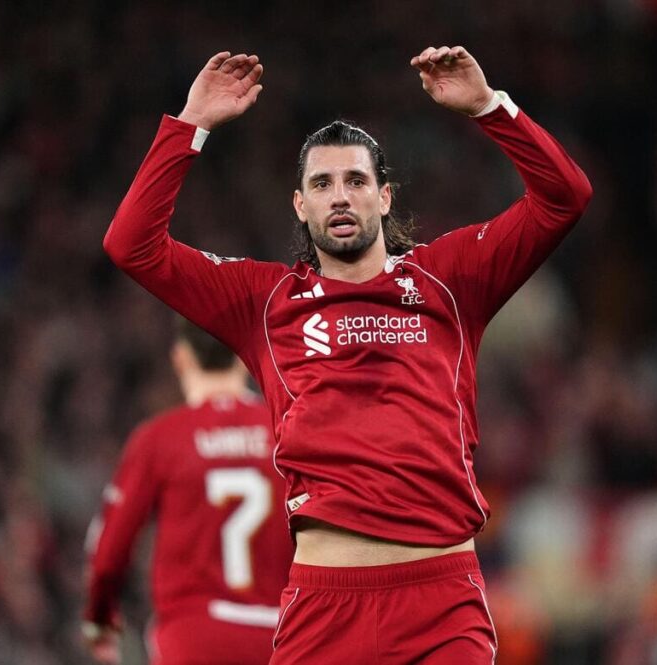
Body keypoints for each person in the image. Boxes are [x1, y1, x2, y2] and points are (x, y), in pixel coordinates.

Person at [103, 45, 592, 663]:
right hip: (324, 607)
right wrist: (190, 125)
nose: (340, 196)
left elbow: (564, 197)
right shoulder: (263, 300)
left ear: (384, 197)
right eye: (322, 184)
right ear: (300, 205)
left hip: (441, 605)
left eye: (356, 180)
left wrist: (489, 108)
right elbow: (132, 245)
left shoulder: (451, 278)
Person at [83, 319, 294, 664]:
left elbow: (109, 550)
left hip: (193, 638)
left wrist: (99, 616)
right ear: (246, 357)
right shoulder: (286, 431)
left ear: (180, 359)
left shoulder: (160, 439)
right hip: (281, 638)